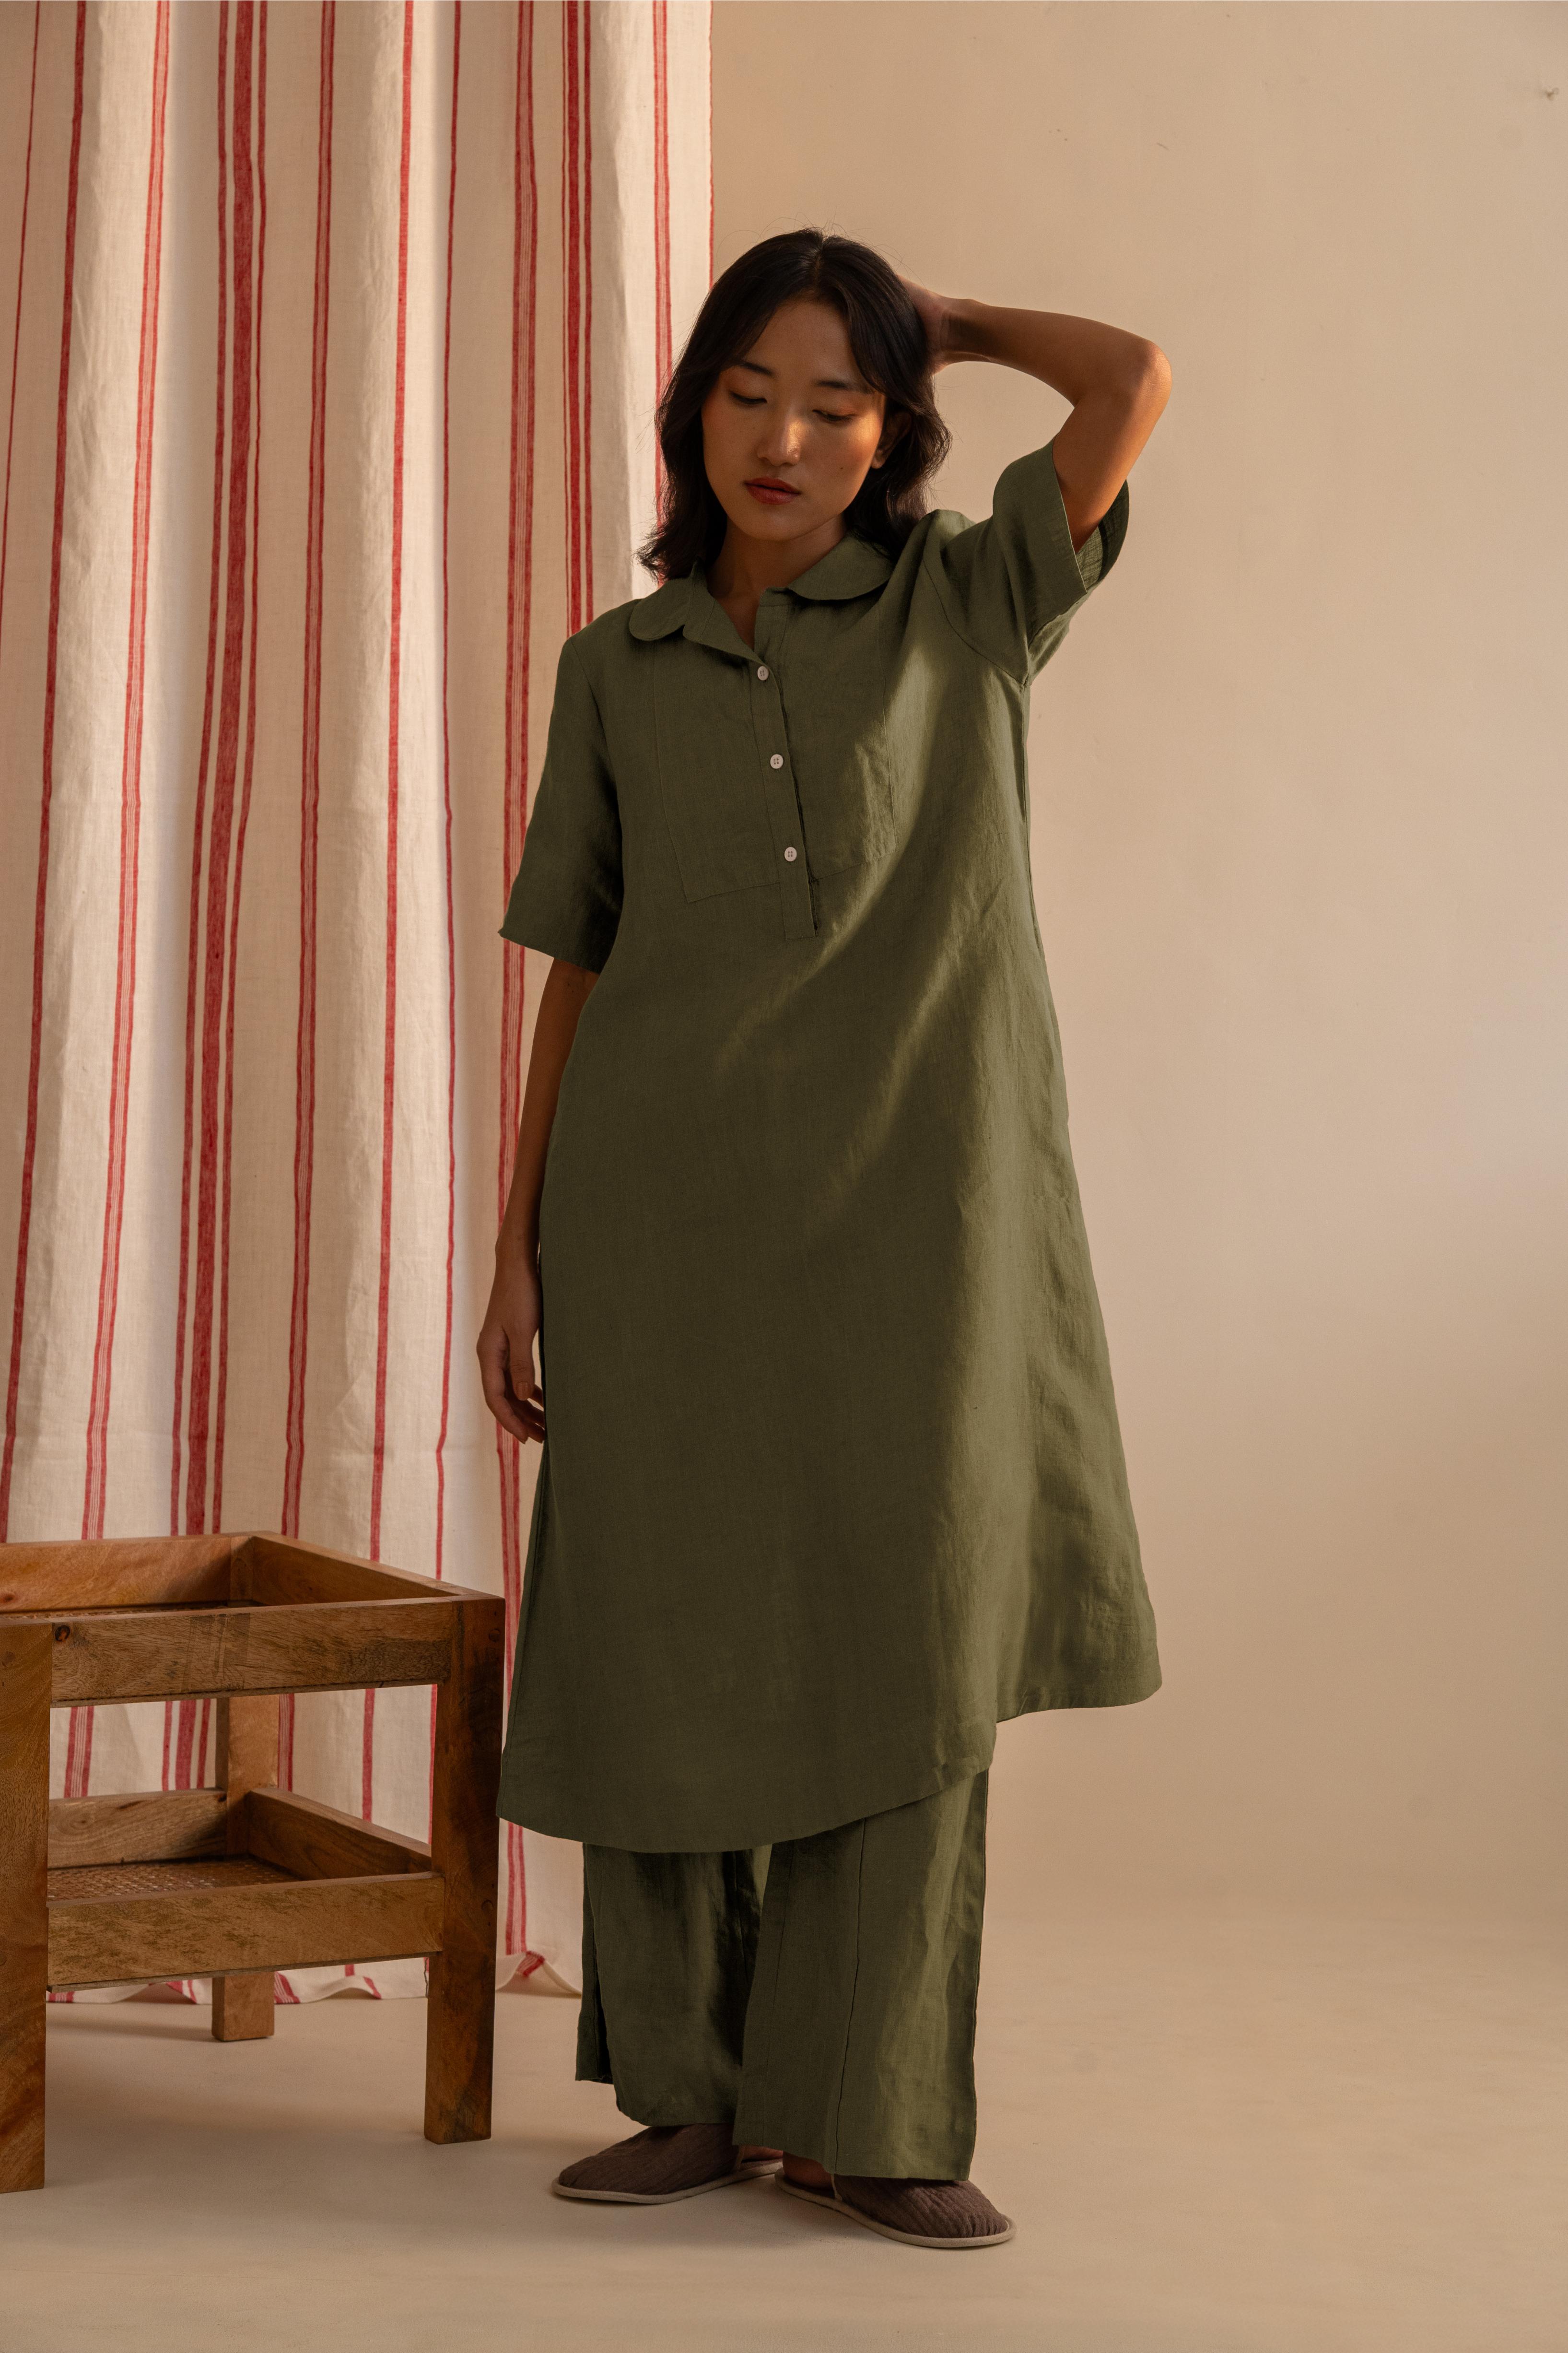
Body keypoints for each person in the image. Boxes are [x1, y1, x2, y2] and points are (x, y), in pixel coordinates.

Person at [477, 227, 1169, 2252]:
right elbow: (578, 962)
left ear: (891, 432)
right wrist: (516, 1249)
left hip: (922, 1223)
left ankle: (871, 2110)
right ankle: (691, 2096)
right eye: (750, 391)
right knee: (664, 1625)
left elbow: (1128, 378)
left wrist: (939, 315)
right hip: (660, 1221)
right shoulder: (617, 665)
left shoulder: (970, 600)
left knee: (905, 1622)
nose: (784, 437)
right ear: (693, 407)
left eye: (837, 400)